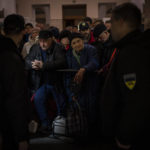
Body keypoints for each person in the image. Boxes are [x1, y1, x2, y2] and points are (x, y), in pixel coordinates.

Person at [101, 3, 150, 150]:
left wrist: (124, 135)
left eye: (111, 22)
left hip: (131, 139)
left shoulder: (133, 53)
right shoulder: (133, 47)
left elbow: (137, 98)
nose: (110, 28)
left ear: (120, 22)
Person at [25, 30, 67, 134]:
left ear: (51, 39)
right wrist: (32, 64)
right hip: (40, 82)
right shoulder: (35, 48)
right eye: (41, 41)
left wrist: (44, 65)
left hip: (56, 82)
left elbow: (61, 62)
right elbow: (27, 60)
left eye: (45, 41)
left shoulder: (58, 47)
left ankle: (60, 125)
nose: (42, 44)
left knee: (60, 104)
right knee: (38, 99)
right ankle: (45, 124)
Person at [0, 14, 30, 150]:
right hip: (9, 126)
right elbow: (16, 98)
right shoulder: (11, 57)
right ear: (23, 31)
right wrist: (22, 137)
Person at [66, 32, 100, 138]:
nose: (77, 44)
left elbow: (95, 62)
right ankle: (82, 134)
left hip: (91, 85)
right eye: (74, 43)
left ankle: (93, 136)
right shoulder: (69, 54)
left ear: (83, 41)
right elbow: (67, 75)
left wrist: (84, 69)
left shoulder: (91, 49)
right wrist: (70, 92)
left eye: (78, 41)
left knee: (92, 110)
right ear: (71, 45)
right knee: (81, 110)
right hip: (78, 88)